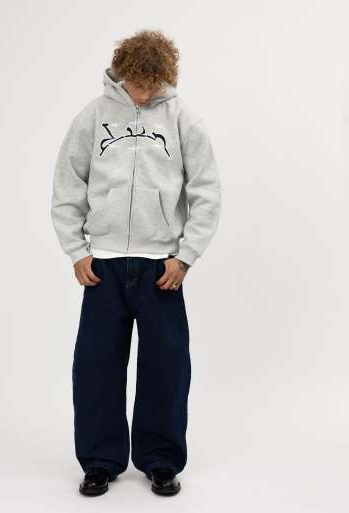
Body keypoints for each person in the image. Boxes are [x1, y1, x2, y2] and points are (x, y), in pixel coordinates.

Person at [51, 29, 222, 497]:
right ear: (122, 74)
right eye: (136, 84)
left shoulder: (184, 119)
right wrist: (77, 250)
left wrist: (185, 257)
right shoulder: (92, 117)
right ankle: (100, 460)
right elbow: (68, 184)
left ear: (164, 77)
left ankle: (161, 460)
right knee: (96, 367)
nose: (144, 94)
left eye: (152, 85)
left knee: (166, 367)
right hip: (103, 266)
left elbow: (206, 191)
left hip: (161, 267)